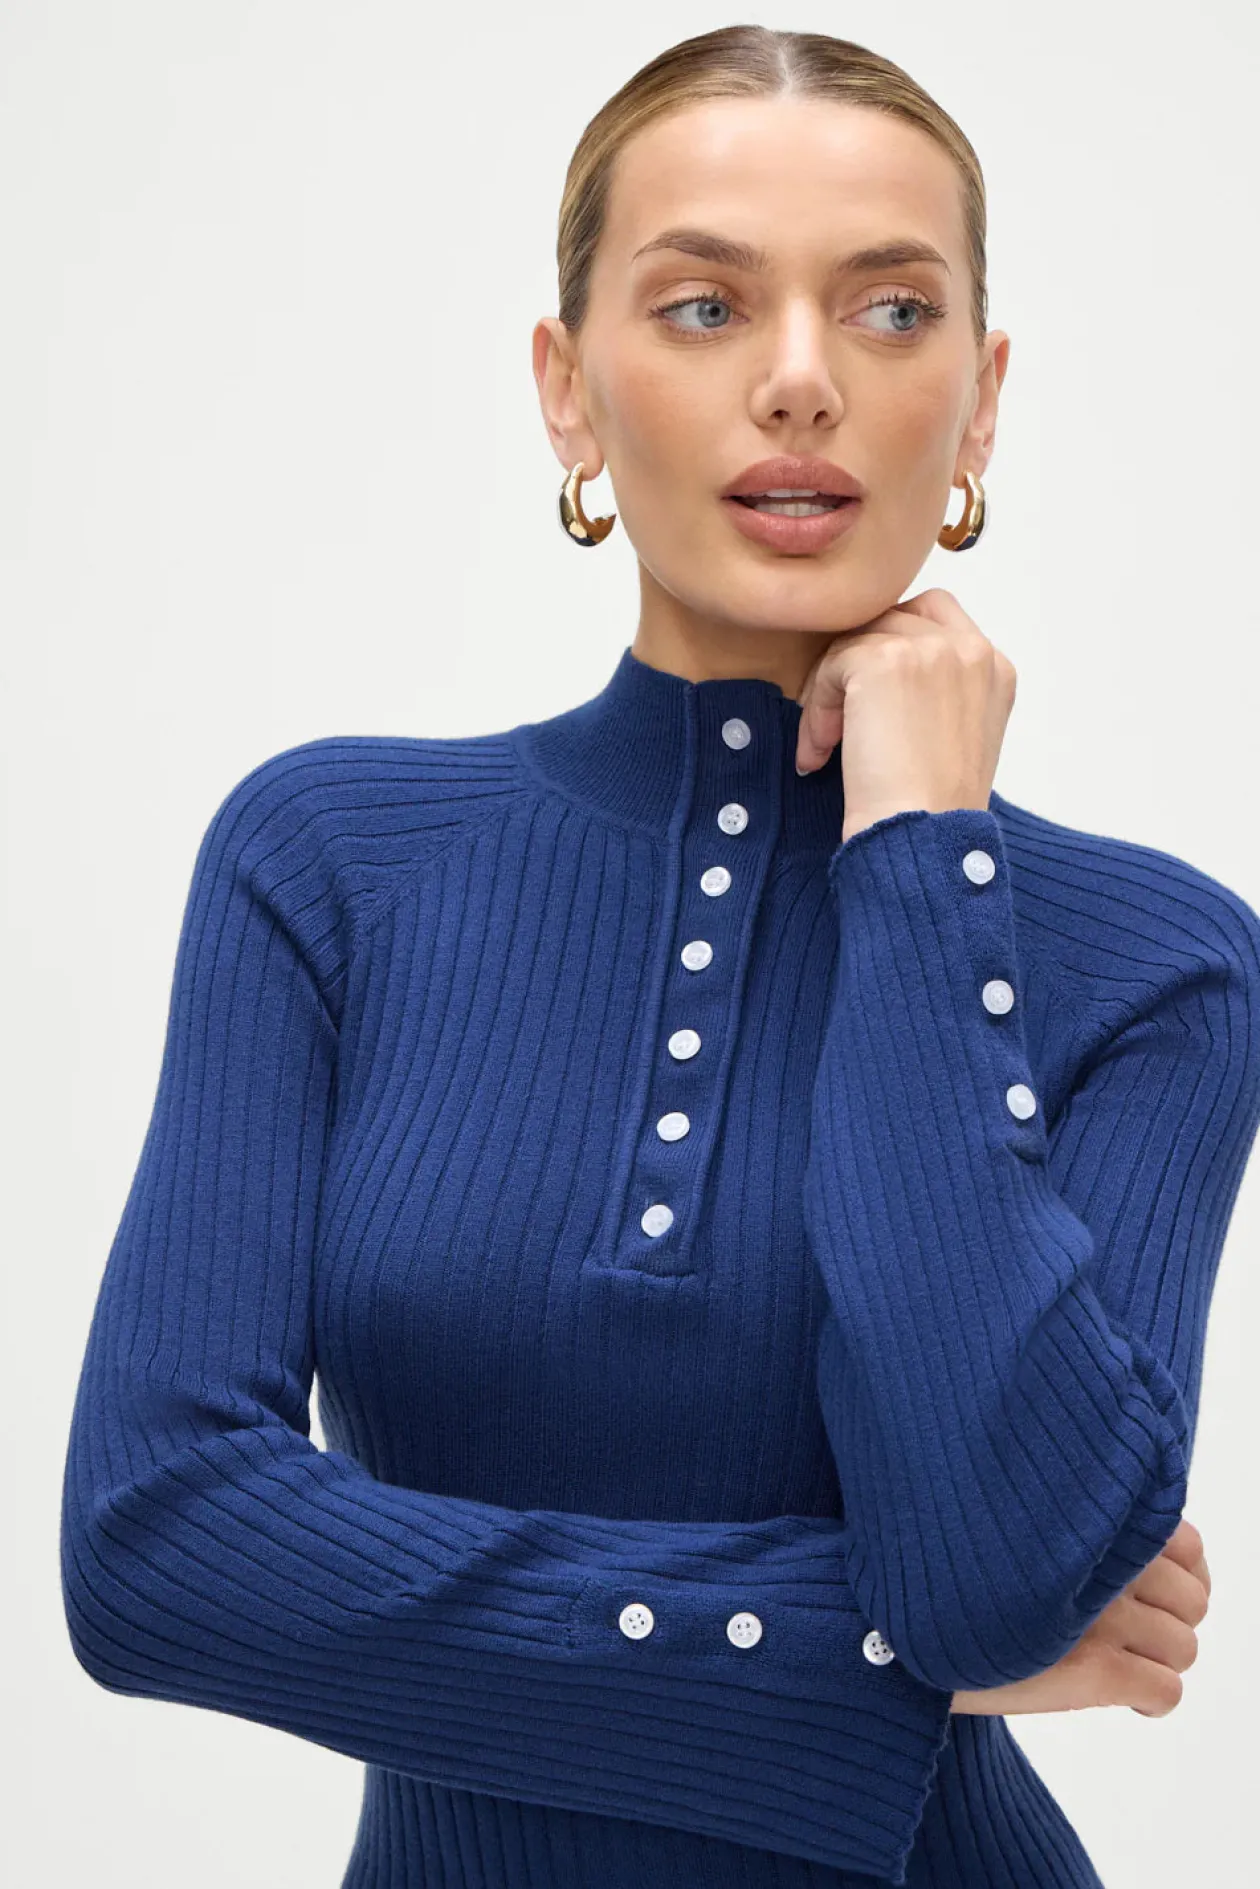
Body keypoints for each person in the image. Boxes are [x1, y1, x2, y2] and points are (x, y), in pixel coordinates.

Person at [60, 24, 1258, 1889]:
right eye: (705, 307)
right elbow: (151, 1547)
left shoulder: (1158, 967)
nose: (801, 382)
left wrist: (919, 851)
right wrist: (867, 1665)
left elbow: (990, 1577)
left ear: (983, 401)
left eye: (891, 312)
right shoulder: (333, 864)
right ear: (567, 390)